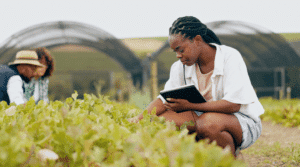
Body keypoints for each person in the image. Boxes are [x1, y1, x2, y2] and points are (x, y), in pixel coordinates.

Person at [129, 16, 264, 157]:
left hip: (241, 121)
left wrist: (190, 105)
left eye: (180, 50)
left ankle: (230, 159)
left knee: (207, 124)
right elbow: (163, 100)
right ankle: (201, 157)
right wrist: (138, 119)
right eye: (175, 51)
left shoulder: (229, 57)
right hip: (202, 117)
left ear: (197, 40)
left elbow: (233, 105)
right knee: (160, 120)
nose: (178, 56)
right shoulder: (179, 67)